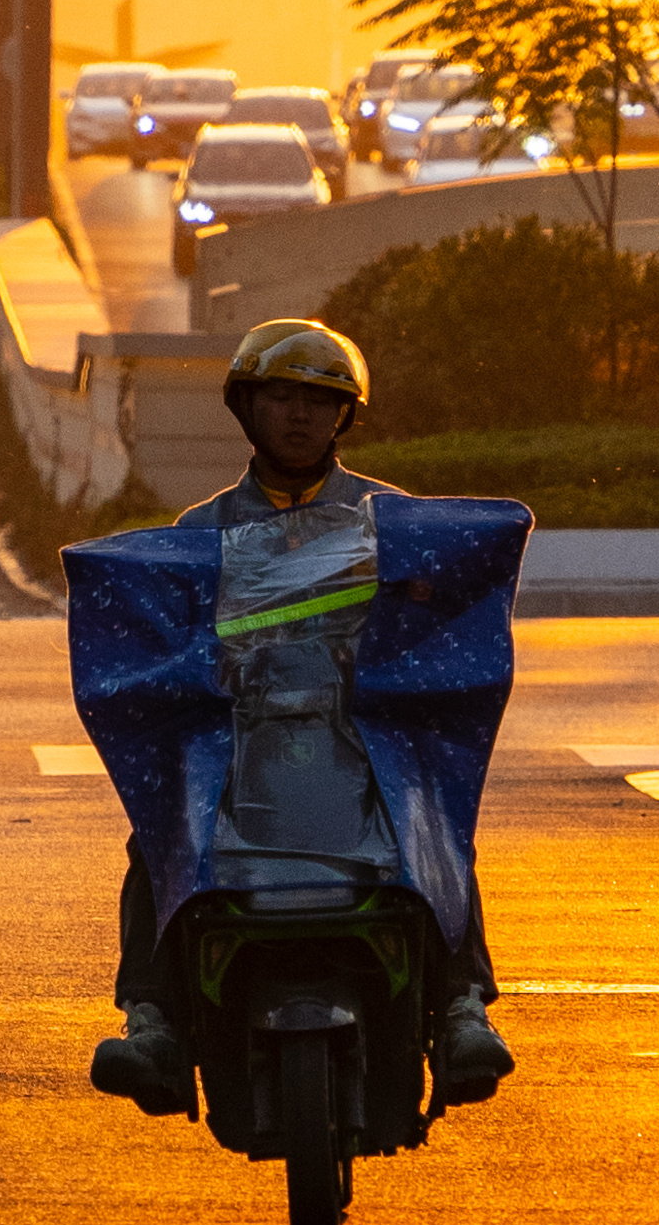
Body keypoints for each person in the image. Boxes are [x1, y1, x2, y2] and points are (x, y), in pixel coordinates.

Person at [85, 312, 516, 1112]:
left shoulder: (394, 527)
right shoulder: (199, 533)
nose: (299, 414)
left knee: (433, 820)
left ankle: (461, 1007)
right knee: (157, 834)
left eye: (319, 400)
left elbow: (445, 625)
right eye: (280, 397)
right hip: (238, 747)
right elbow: (161, 648)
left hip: (361, 744)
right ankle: (153, 1021)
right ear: (246, 406)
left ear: (345, 415)